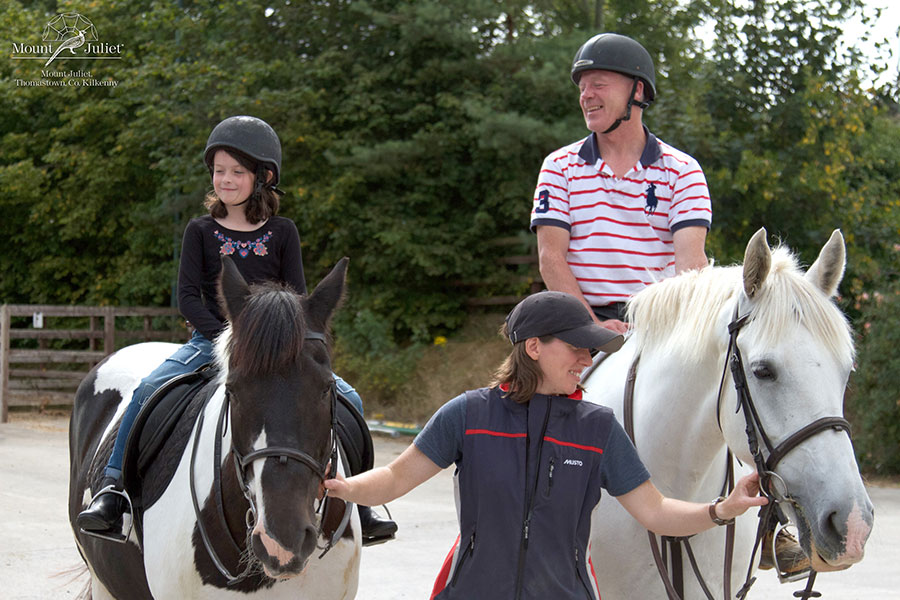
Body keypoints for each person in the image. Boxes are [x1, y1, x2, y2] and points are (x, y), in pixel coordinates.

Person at [76, 115, 396, 545]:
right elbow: (188, 297)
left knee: (349, 398)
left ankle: (360, 503)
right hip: (209, 342)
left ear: (262, 177)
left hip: (278, 351)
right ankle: (113, 492)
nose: (225, 180)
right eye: (219, 171)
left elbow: (295, 298)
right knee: (147, 390)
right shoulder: (200, 231)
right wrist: (228, 338)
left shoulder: (283, 232)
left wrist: (272, 339)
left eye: (237, 172)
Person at [323, 291, 769, 599]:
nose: (587, 359)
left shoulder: (599, 428)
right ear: (533, 347)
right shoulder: (468, 415)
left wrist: (721, 509)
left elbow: (655, 511)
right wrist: (342, 488)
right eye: (576, 347)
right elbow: (396, 478)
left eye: (591, 350)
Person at [531, 33, 711, 336]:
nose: (586, 95)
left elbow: (691, 266)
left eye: (598, 84)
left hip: (659, 318)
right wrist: (591, 325)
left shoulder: (682, 171)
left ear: (637, 90)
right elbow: (550, 258)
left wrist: (661, 326)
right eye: (582, 87)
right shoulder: (559, 166)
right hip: (580, 316)